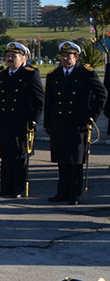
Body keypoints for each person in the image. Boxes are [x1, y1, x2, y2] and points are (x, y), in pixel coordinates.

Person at [45, 41, 107, 205]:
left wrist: (91, 116)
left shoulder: (86, 73)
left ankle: (74, 193)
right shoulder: (54, 75)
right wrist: (47, 123)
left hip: (78, 123)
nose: (65, 59)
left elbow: (101, 95)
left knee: (76, 160)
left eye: (68, 56)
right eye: (63, 56)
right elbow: (49, 102)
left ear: (76, 57)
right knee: (61, 159)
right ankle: (62, 192)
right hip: (59, 123)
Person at [0, 42, 44, 199]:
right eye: (8, 56)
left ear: (24, 58)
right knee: (5, 155)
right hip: (4, 122)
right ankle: (5, 187)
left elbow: (38, 99)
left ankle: (18, 188)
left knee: (20, 156)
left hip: (21, 122)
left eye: (14, 56)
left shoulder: (30, 74)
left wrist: (33, 119)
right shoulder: (1, 76)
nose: (9, 58)